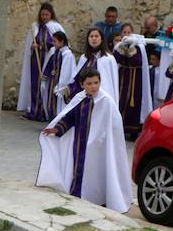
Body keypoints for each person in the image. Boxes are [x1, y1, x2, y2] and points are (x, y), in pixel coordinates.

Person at [38, 67, 132, 213]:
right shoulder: (79, 98)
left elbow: (114, 125)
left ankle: (98, 197)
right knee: (79, 168)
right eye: (89, 83)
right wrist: (57, 129)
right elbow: (70, 117)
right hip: (80, 142)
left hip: (99, 146)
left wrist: (101, 138)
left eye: (96, 83)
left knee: (97, 171)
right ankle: (78, 194)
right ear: (82, 84)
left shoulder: (106, 101)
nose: (93, 86)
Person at [18, 3, 64, 121]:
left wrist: (44, 45)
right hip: (36, 60)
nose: (44, 17)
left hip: (48, 61)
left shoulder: (56, 27)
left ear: (51, 14)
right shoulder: (35, 26)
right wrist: (32, 46)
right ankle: (34, 111)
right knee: (35, 85)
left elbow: (59, 43)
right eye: (42, 14)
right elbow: (29, 43)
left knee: (46, 86)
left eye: (47, 14)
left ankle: (46, 112)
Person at [112, 23, 152, 139]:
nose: (126, 35)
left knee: (134, 103)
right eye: (124, 32)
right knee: (121, 100)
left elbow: (137, 61)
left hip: (135, 78)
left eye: (128, 32)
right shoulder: (119, 45)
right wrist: (123, 47)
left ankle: (133, 131)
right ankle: (120, 128)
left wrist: (131, 48)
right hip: (123, 76)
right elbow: (116, 58)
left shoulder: (139, 46)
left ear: (133, 33)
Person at [70, 28, 119, 104]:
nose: (94, 38)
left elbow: (113, 83)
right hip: (85, 97)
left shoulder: (109, 59)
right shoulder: (84, 58)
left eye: (96, 36)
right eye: (91, 36)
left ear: (101, 39)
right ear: (88, 39)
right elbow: (78, 78)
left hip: (103, 97)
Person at [40, 31, 74, 118]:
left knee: (58, 102)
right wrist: (44, 79)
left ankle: (58, 119)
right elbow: (49, 66)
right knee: (51, 101)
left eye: (55, 41)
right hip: (52, 81)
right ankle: (51, 118)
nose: (53, 43)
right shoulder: (55, 52)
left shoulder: (67, 54)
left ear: (62, 41)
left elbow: (67, 71)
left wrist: (61, 84)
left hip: (59, 82)